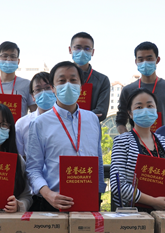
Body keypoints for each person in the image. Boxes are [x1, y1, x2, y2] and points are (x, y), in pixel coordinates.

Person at [26, 61, 105, 211]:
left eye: (73, 80)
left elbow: (98, 161)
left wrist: (98, 194)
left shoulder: (92, 119)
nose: (68, 85)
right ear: (53, 88)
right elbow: (33, 169)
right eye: (62, 81)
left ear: (81, 87)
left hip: (88, 202)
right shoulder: (39, 123)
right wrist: (48, 195)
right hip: (53, 203)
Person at [110, 88, 165, 211]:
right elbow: (117, 186)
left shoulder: (164, 142)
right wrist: (153, 202)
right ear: (130, 113)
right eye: (139, 107)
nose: (145, 110)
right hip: (135, 214)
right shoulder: (122, 141)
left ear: (156, 110)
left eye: (150, 106)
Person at [115, 41, 165, 134]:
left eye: (149, 59)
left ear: (157, 60)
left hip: (162, 140)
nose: (145, 62)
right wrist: (129, 139)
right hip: (136, 141)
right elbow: (120, 121)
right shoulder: (128, 90)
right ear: (136, 62)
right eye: (141, 59)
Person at [69, 31, 111, 122]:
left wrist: (69, 117)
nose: (82, 51)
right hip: (62, 127)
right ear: (70, 49)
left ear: (92, 52)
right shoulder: (60, 78)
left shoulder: (102, 80)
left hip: (90, 128)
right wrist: (90, 115)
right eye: (78, 47)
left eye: (87, 48)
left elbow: (101, 113)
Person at [0, 41, 36, 117]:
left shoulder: (27, 84)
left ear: (18, 61)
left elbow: (35, 113)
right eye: (4, 56)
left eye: (13, 56)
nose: (9, 59)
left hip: (19, 125)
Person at [14, 72, 56, 158]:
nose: (44, 92)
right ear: (32, 96)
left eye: (48, 88)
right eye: (38, 89)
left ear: (55, 90)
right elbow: (20, 156)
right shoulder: (22, 124)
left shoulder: (66, 120)